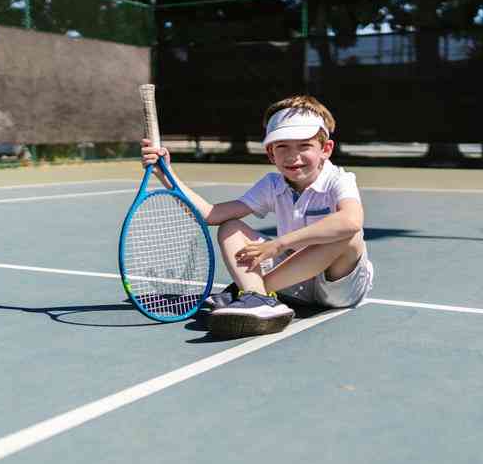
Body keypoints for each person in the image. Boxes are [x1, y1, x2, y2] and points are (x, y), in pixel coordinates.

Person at [140, 95, 373, 338]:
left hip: (340, 288)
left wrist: (279, 243)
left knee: (348, 235)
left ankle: (251, 290)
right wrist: (165, 174)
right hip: (292, 283)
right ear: (271, 154)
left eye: (304, 146)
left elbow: (351, 221)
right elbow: (212, 214)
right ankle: (258, 298)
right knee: (230, 226)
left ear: (326, 149)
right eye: (282, 147)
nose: (293, 157)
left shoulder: (339, 180)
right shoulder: (272, 185)